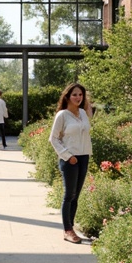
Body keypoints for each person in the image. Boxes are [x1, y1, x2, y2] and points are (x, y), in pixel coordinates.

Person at [48, 82, 93, 243]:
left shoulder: (82, 112)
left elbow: (86, 128)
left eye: (80, 94)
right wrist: (67, 155)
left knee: (76, 196)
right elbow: (53, 138)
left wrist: (87, 107)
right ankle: (67, 230)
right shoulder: (62, 115)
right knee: (69, 195)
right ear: (67, 96)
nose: (78, 97)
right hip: (70, 159)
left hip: (84, 157)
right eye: (74, 94)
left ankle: (71, 228)